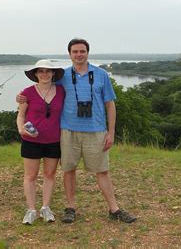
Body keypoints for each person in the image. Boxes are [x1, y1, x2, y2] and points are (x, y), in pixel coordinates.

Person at [18, 39, 136, 224]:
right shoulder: (62, 76)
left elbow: (110, 105)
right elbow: (42, 88)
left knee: (102, 171)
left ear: (88, 52)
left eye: (82, 51)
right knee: (69, 170)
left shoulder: (101, 74)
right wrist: (21, 97)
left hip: (96, 130)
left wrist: (110, 132)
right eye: (75, 51)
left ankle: (114, 209)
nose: (79, 54)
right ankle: (70, 207)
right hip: (68, 131)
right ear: (70, 54)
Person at [16, 59, 65, 225]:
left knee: (50, 175)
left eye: (48, 71)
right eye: (41, 71)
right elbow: (21, 115)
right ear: (36, 74)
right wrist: (21, 129)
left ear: (53, 73)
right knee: (31, 176)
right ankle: (31, 210)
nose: (44, 74)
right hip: (31, 140)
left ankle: (45, 207)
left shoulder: (61, 91)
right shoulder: (27, 93)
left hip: (54, 140)